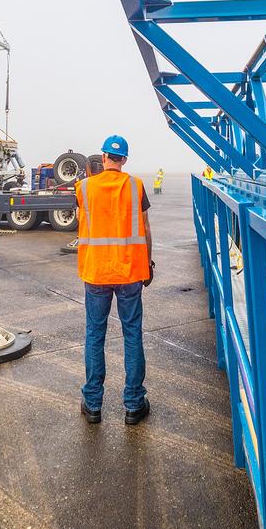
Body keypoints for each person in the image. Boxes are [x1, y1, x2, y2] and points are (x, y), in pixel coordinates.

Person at [74, 134, 153, 425]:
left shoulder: (83, 188)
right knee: (132, 334)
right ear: (124, 160)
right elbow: (144, 228)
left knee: (95, 335)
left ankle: (93, 404)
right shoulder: (136, 186)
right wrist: (149, 264)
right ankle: (133, 404)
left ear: (103, 157)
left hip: (96, 272)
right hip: (130, 271)